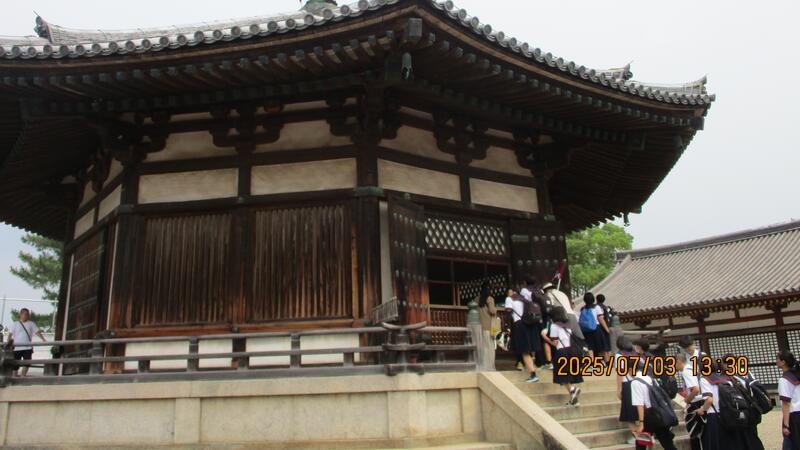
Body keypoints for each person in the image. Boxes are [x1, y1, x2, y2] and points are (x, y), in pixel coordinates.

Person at [696, 358, 751, 450]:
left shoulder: (705, 379)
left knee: (716, 444)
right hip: (729, 414)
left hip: (714, 416)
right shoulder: (725, 379)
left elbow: (709, 400)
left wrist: (702, 409)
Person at [631, 358, 678, 450]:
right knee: (667, 443)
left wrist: (641, 423)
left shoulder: (635, 382)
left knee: (641, 444)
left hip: (648, 415)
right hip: (658, 412)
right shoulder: (649, 378)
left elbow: (639, 404)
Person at [722, 353, 764, 450]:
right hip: (752, 407)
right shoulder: (746, 372)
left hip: (740, 409)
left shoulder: (729, 376)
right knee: (753, 436)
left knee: (742, 438)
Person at [504, 287, 542, 383]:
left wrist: (507, 327)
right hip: (530, 324)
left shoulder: (509, 299)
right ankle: (533, 367)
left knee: (524, 351)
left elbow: (508, 311)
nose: (509, 294)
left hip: (520, 324)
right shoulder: (524, 299)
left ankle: (533, 374)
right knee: (530, 348)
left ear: (513, 292)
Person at [547, 306, 582, 405]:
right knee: (568, 375)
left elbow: (555, 343)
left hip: (561, 352)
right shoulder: (568, 324)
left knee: (563, 375)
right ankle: (573, 400)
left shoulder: (554, 326)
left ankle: (573, 389)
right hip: (571, 351)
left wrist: (544, 337)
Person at [677, 347, 706, 450]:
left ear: (679, 362)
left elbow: (696, 389)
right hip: (701, 400)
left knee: (694, 432)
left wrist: (686, 401)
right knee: (702, 431)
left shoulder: (686, 371)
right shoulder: (692, 368)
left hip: (696, 402)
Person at [614, 335, 638, 445]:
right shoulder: (635, 353)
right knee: (639, 411)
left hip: (627, 384)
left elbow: (620, 373)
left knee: (629, 413)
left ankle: (637, 436)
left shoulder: (619, 355)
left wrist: (619, 389)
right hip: (638, 383)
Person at [9, 308, 46, 377]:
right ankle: (14, 378)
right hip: (17, 348)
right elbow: (10, 334)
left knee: (27, 363)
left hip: (27, 347)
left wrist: (43, 339)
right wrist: (9, 343)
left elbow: (37, 332)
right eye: (25, 314)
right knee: (15, 364)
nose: (27, 316)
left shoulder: (31, 323)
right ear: (21, 314)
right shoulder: (15, 324)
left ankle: (22, 376)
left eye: (28, 314)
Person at [778, 350, 800, 450]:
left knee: (793, 444)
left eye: (778, 358)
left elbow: (786, 403)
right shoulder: (797, 375)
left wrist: (786, 425)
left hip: (793, 415)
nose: (776, 361)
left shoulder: (784, 380)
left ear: (783, 362)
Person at [476, 282, 497, 371]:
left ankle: (483, 366)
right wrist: (496, 309)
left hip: (479, 326)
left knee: (482, 347)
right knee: (490, 347)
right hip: (489, 326)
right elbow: (492, 311)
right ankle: (490, 367)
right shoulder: (490, 299)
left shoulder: (477, 299)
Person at [595, 294, 613, 364]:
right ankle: (610, 362)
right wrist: (608, 329)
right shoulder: (606, 308)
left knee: (603, 347)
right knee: (608, 346)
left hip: (600, 328)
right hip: (607, 327)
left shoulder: (596, 307)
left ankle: (606, 362)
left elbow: (600, 319)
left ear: (596, 299)